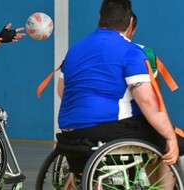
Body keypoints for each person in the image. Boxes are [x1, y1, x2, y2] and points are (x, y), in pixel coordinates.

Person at [58, 0, 178, 188]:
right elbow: (147, 101)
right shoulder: (132, 51)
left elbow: (62, 91)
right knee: (170, 141)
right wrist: (169, 137)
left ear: (100, 18)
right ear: (130, 23)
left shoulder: (75, 49)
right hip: (107, 130)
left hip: (70, 131)